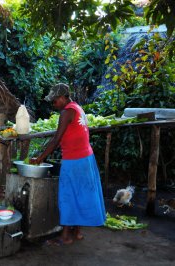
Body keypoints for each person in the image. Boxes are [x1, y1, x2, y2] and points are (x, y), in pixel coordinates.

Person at [30, 83, 106, 244]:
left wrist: (40, 158)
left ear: (64, 97)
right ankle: (77, 233)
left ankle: (65, 237)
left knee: (68, 197)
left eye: (55, 100)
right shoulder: (77, 108)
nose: (53, 104)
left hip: (75, 161)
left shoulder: (66, 112)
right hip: (86, 157)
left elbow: (56, 139)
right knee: (81, 194)